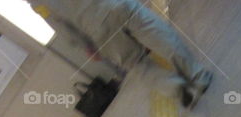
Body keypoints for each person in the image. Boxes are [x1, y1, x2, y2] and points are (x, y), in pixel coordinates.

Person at [37, 0, 213, 108]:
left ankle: (178, 89)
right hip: (115, 4)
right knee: (158, 35)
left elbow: (63, 28)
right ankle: (197, 75)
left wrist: (87, 47)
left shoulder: (37, 3)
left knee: (135, 64)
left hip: (97, 31)